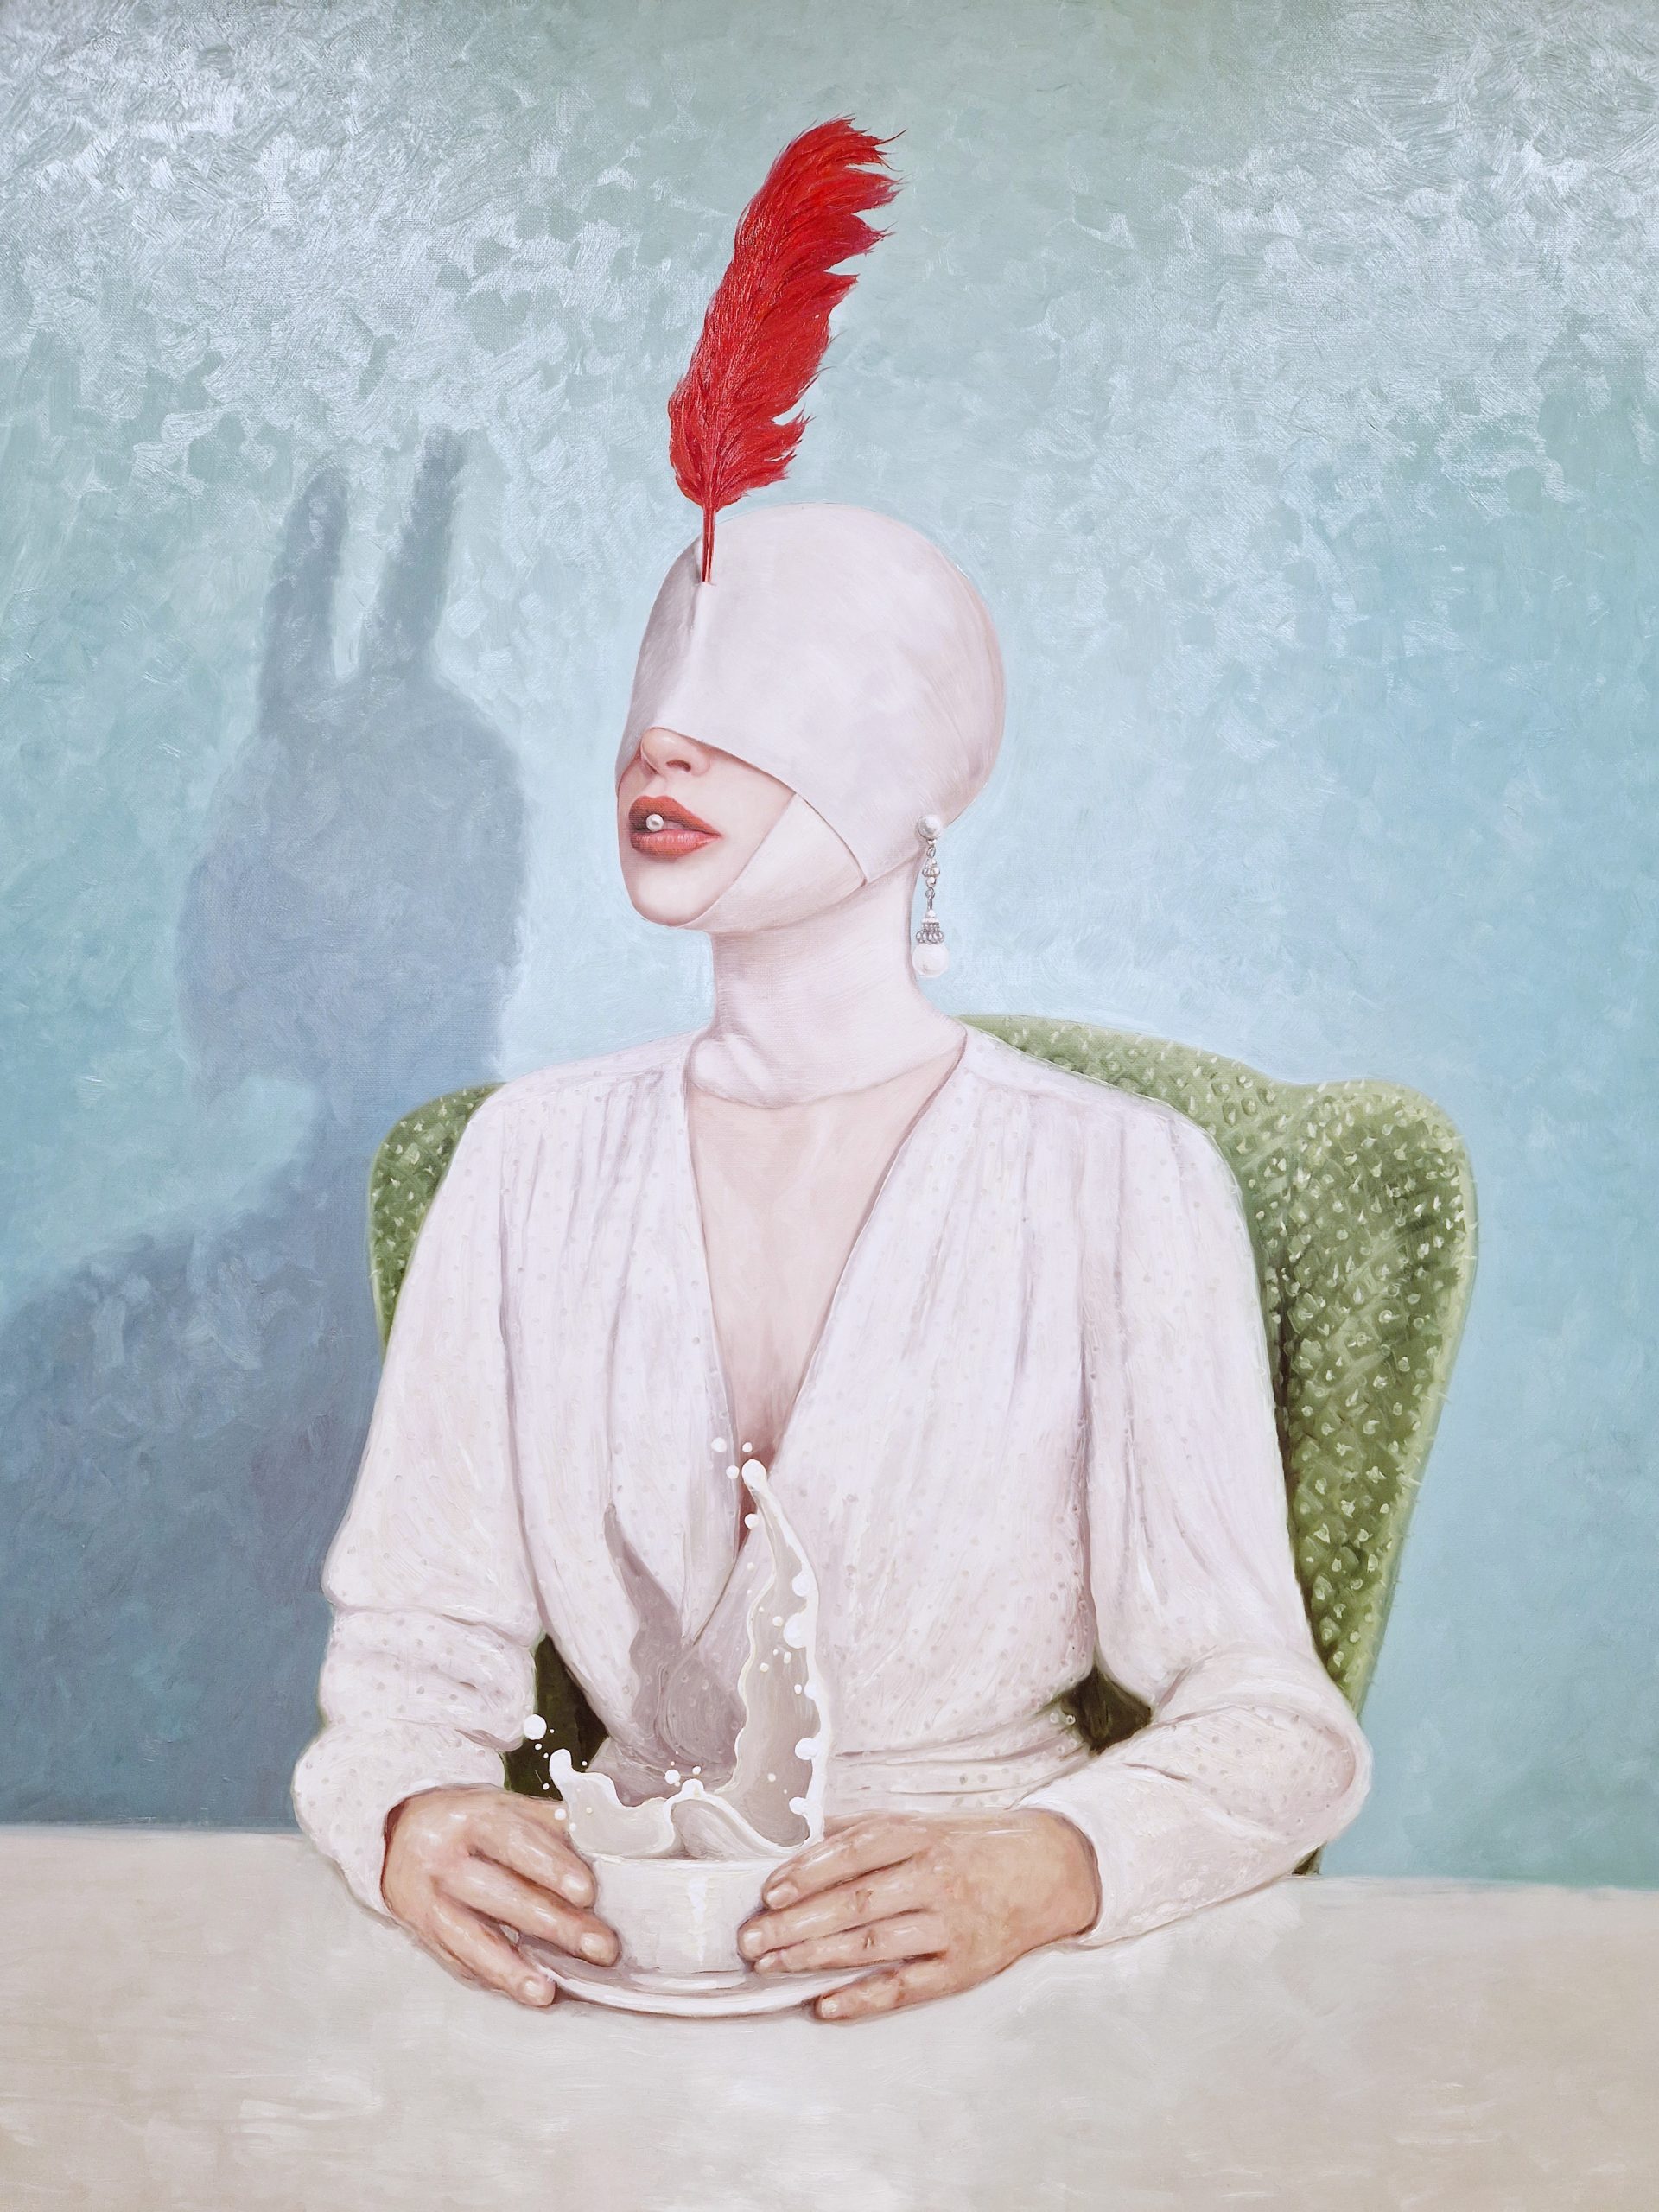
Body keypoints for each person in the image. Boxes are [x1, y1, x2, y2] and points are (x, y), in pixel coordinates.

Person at [292, 499, 1371, 2022]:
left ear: (923, 772)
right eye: (655, 700)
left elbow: (1276, 1725)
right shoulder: (526, 1159)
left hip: (1004, 2000)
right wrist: (410, 1813)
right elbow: (411, 1660)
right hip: (612, 1971)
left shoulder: (1122, 1179)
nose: (665, 750)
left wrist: (1054, 1868)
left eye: (759, 699)